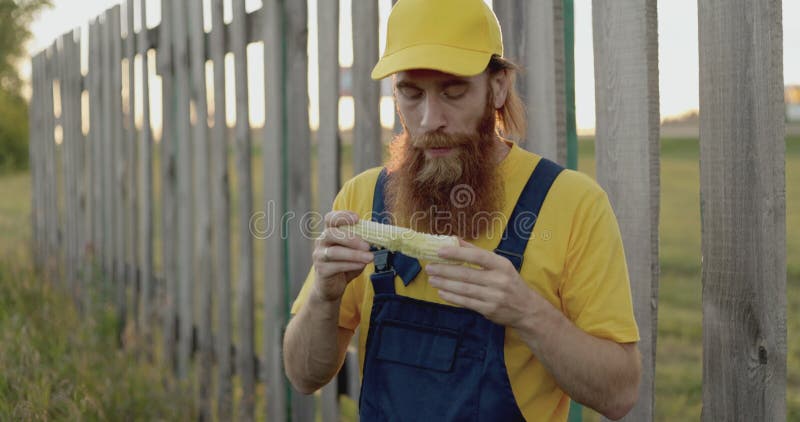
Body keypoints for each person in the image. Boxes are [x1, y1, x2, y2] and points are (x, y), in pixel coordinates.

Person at [283, 0, 641, 420]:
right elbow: (304, 377)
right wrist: (325, 298)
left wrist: (526, 312)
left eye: (454, 91)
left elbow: (619, 394)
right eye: (411, 93)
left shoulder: (573, 203)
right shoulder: (364, 197)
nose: (430, 119)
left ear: (499, 86)